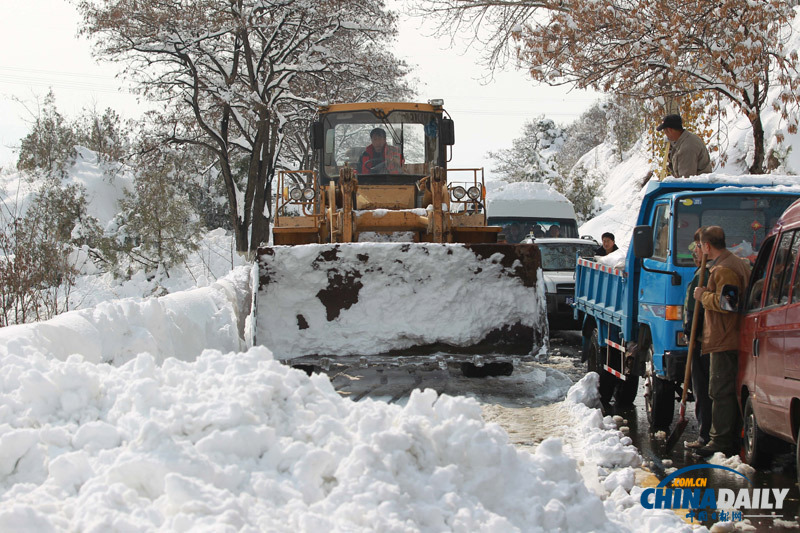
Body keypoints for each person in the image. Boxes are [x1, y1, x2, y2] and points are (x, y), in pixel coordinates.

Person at [692, 226, 751, 457]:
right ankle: (726, 437)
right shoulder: (732, 263)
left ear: (707, 246)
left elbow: (729, 304)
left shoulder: (724, 268)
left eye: (700, 246)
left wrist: (703, 296)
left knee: (720, 391)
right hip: (728, 336)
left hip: (725, 338)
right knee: (723, 389)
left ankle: (721, 440)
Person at [683, 228, 712, 449]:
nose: (695, 252)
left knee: (702, 388)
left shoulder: (706, 273)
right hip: (710, 338)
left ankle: (704, 435)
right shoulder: (706, 271)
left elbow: (695, 311)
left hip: (702, 339)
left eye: (698, 247)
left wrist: (688, 331)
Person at [656, 114, 713, 179]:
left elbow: (686, 179)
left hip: (698, 188)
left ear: (669, 130)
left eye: (665, 131)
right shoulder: (685, 140)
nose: (665, 135)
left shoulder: (687, 147)